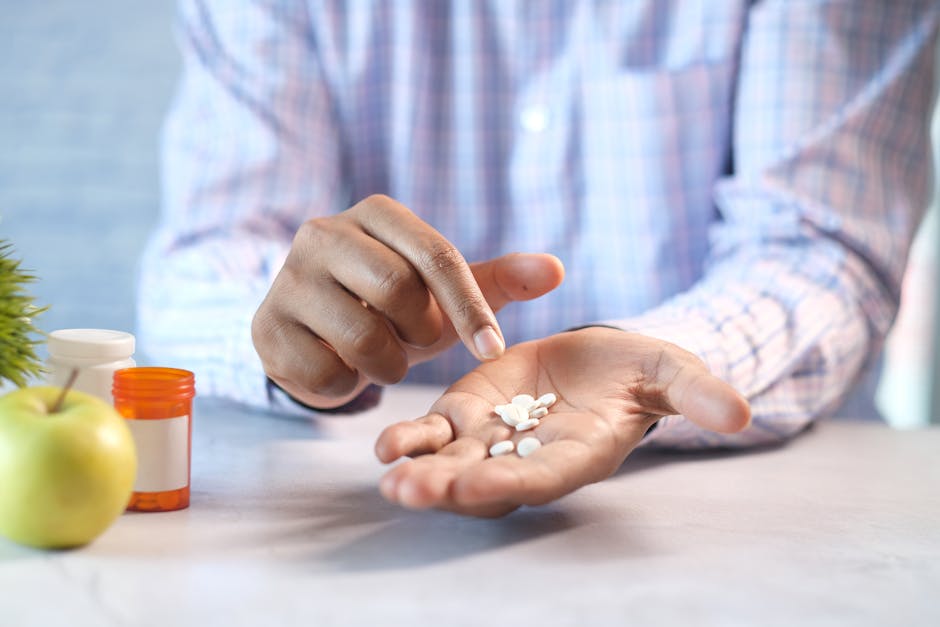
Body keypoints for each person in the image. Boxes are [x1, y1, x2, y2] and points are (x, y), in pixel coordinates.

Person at [139, 1, 939, 517]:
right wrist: (300, 333)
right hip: (362, 505)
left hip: (762, 522)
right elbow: (203, 256)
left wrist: (665, 367)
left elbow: (817, 249)